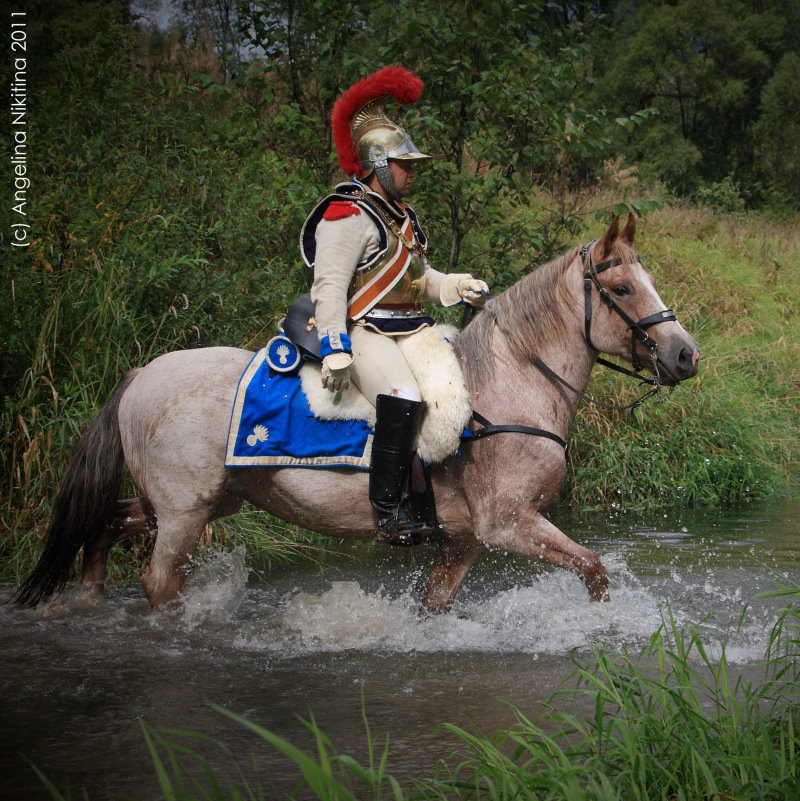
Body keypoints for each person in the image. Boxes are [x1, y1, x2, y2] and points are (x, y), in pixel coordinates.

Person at [299, 65, 488, 544]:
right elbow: (330, 289)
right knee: (403, 396)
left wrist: (456, 285)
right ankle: (386, 513)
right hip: (363, 331)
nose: (412, 172)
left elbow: (415, 282)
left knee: (455, 391)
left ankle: (429, 505)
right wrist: (336, 347)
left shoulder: (402, 216)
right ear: (379, 164)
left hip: (409, 327)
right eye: (405, 165)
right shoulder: (346, 214)